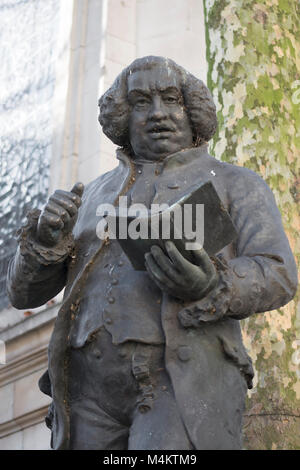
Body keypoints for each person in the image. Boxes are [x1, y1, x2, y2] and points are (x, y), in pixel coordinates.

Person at [7, 56, 297, 450]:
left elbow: (279, 272)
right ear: (123, 117)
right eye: (142, 101)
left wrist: (212, 283)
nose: (158, 113)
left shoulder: (235, 182)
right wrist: (43, 241)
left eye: (171, 99)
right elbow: (24, 296)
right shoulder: (90, 195)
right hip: (86, 390)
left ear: (191, 110)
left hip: (178, 382)